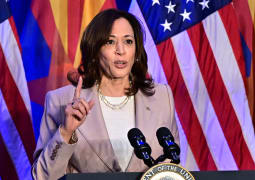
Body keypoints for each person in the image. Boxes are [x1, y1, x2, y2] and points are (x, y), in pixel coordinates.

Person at [32, 9, 179, 180]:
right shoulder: (60, 101)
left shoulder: (161, 97)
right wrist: (66, 132)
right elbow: (42, 177)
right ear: (95, 51)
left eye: (128, 41)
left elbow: (171, 168)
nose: (121, 50)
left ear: (136, 52)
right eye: (110, 42)